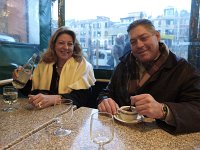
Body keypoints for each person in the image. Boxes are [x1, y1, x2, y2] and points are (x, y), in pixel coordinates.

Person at [97, 19, 200, 134]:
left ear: (157, 36)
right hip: (122, 136)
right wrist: (105, 100)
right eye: (133, 42)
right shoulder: (123, 64)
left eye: (144, 38)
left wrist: (163, 110)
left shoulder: (183, 70)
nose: (139, 45)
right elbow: (107, 92)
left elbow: (197, 108)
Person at [12, 26, 96, 109]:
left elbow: (82, 98)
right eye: (61, 43)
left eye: (70, 44)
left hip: (72, 114)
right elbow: (32, 92)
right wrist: (21, 80)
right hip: (45, 113)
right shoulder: (44, 64)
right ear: (54, 45)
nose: (66, 47)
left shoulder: (83, 66)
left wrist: (55, 99)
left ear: (74, 47)